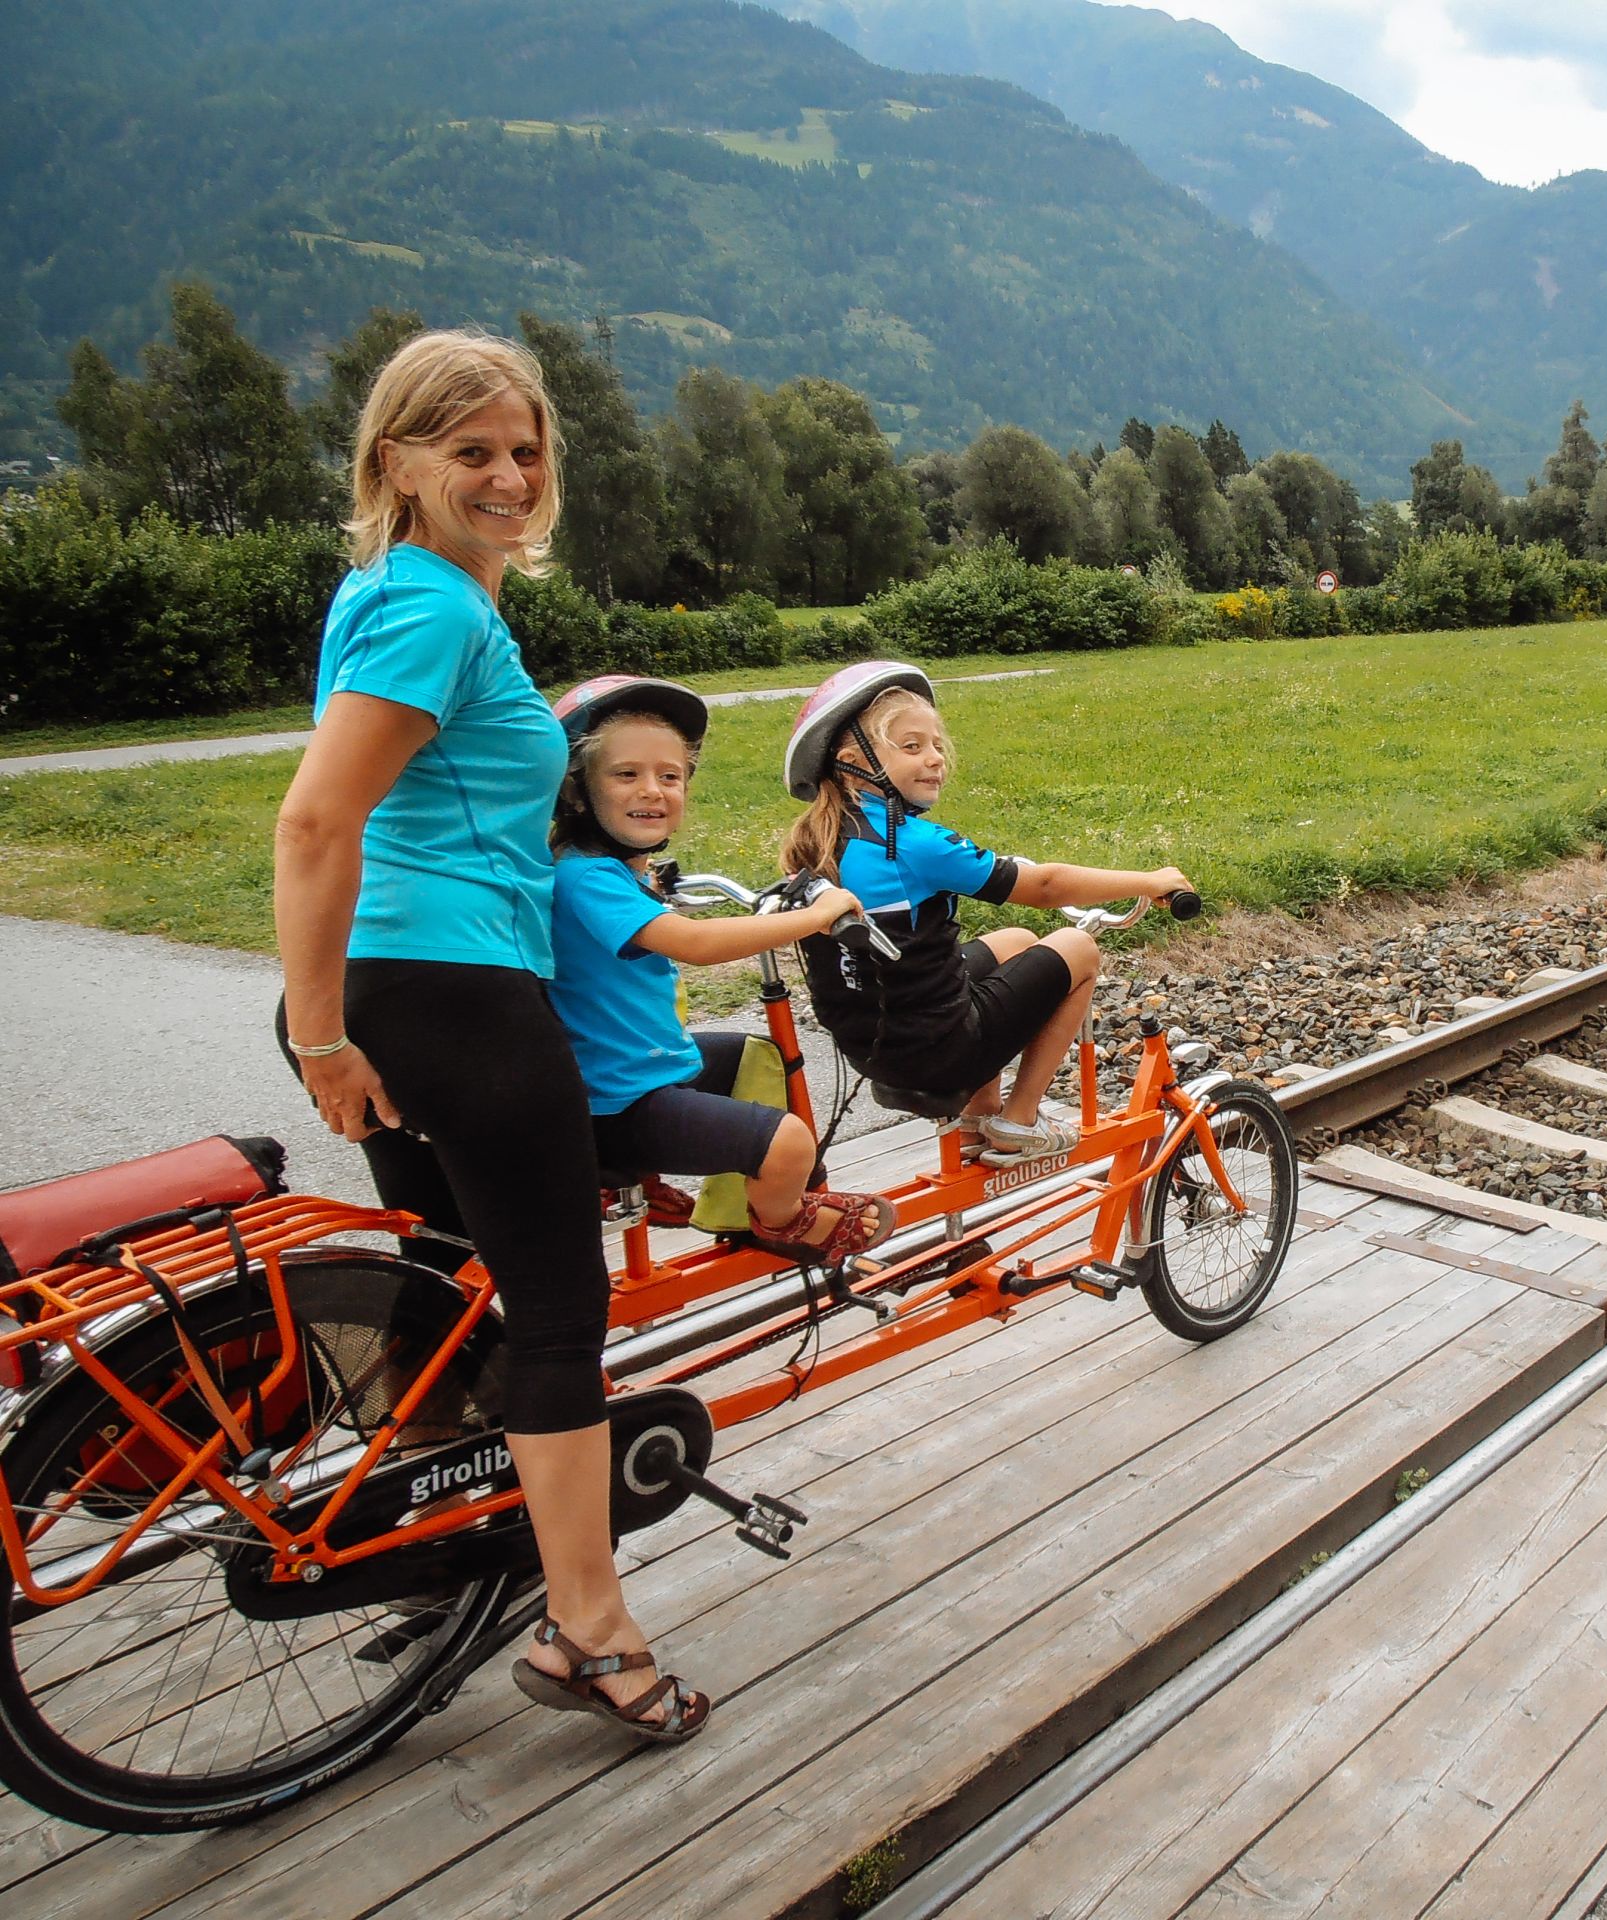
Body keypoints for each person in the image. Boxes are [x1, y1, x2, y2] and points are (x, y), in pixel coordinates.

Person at [272, 330, 705, 1744]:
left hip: (408, 988)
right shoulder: (435, 614)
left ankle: (443, 1549)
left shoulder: (401, 590)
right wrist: (328, 1036)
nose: (511, 475)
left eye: (525, 450)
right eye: (472, 453)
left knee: (452, 1296)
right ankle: (592, 1632)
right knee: (556, 1319)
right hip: (445, 994)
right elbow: (316, 822)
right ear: (397, 462)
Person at [545, 674, 894, 1264]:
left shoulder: (598, 870)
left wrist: (652, 887)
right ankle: (781, 1220)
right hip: (617, 1101)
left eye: (670, 776)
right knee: (788, 1143)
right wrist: (818, 914)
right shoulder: (586, 878)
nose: (652, 789)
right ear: (577, 791)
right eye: (626, 775)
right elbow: (694, 944)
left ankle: (678, 1189)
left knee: (750, 1056)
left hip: (635, 1069)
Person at [778, 660, 1189, 1162]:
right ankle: (1020, 1119)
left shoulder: (823, 838)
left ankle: (978, 1118)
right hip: (935, 1052)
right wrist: (1151, 881)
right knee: (1078, 947)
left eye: (935, 745)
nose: (934, 759)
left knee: (1015, 940)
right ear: (850, 761)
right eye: (911, 747)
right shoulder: (910, 843)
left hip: (875, 1044)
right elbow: (1043, 886)